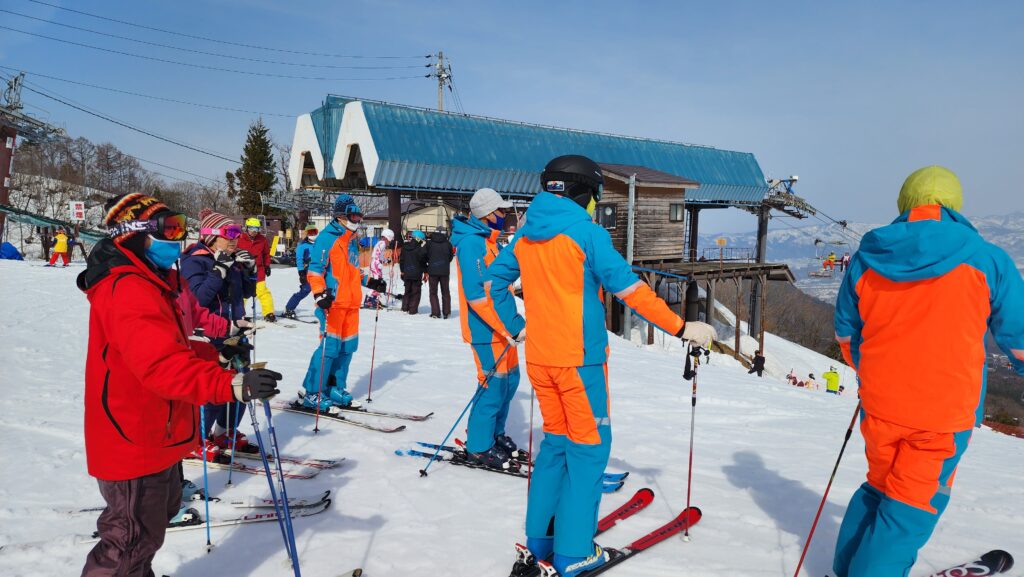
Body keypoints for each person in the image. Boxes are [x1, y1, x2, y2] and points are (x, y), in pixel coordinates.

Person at [487, 155, 718, 577]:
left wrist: (517, 327)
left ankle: (542, 541)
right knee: (589, 453)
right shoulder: (586, 234)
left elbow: (494, 282)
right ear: (582, 193)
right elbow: (631, 290)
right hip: (579, 363)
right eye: (595, 196)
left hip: (540, 359)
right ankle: (574, 554)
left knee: (556, 447)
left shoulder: (526, 235)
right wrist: (682, 327)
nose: (596, 204)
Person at [831, 166, 1024, 577]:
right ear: (954, 206)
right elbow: (1019, 337)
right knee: (909, 510)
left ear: (905, 204)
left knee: (878, 488)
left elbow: (848, 333)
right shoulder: (987, 259)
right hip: (942, 414)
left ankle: (846, 567)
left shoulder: (869, 256)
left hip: (881, 407)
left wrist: (876, 374)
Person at [77, 192, 280, 577]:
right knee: (129, 540)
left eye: (181, 227)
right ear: (134, 235)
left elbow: (174, 347)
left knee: (149, 530)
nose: (178, 238)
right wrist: (233, 387)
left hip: (157, 428)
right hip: (134, 436)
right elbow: (162, 366)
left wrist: (217, 357)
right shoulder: (130, 289)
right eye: (169, 229)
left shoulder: (152, 281)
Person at [451, 188, 523, 469]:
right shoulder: (472, 244)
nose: (504, 216)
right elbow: (478, 294)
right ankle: (479, 446)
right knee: (493, 387)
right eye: (501, 211)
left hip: (501, 328)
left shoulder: (489, 241)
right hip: (484, 329)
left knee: (510, 381)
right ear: (487, 214)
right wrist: (509, 326)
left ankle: (494, 433)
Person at [300, 194, 387, 410]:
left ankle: (334, 388)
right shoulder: (326, 238)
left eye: (359, 216)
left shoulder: (351, 242)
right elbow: (315, 271)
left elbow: (353, 273)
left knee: (347, 349)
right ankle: (312, 391)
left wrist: (371, 282)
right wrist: (320, 294)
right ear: (340, 216)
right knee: (329, 349)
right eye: (353, 216)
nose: (357, 220)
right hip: (332, 305)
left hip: (351, 305)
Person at [180, 209, 257, 451]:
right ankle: (197, 438)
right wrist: (219, 270)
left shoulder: (230, 258)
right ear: (211, 236)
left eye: (237, 234)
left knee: (241, 385)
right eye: (229, 233)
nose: (235, 239)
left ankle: (224, 432)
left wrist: (250, 272)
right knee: (213, 389)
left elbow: (246, 294)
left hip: (235, 332)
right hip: (209, 336)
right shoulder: (195, 260)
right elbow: (199, 299)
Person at [236, 217, 276, 322]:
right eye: (252, 228)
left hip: (259, 270)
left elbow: (266, 254)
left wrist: (267, 265)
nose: (254, 231)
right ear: (247, 228)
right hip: (243, 269)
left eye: (257, 228)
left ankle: (268, 313)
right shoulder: (239, 238)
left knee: (263, 291)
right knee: (242, 293)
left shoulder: (262, 239)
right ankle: (239, 314)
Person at [283, 224, 318, 319]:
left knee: (325, 291)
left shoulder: (320, 243)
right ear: (307, 234)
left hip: (321, 270)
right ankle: (289, 308)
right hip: (309, 271)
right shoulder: (303, 246)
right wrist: (301, 273)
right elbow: (299, 259)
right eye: (311, 232)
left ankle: (328, 310)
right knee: (305, 290)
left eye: (315, 232)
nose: (313, 234)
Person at [426, 228, 454, 319]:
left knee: (433, 292)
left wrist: (428, 262)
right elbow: (450, 256)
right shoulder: (448, 244)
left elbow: (423, 254)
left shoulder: (429, 243)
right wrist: (445, 262)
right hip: (445, 271)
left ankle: (435, 312)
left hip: (433, 271)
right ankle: (446, 312)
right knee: (445, 291)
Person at [364, 228, 395, 309]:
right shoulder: (382, 243)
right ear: (388, 237)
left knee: (378, 281)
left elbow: (380, 256)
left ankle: (372, 298)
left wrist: (385, 260)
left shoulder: (381, 243)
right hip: (375, 264)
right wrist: (378, 263)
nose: (390, 241)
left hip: (376, 264)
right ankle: (369, 300)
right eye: (390, 239)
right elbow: (376, 254)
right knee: (377, 282)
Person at [400, 230, 428, 315]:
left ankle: (405, 307)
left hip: (407, 272)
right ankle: (412, 310)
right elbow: (422, 261)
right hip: (416, 273)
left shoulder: (405, 247)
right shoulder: (420, 249)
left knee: (407, 290)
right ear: (419, 239)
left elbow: (402, 260)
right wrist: (426, 271)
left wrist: (402, 271)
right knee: (415, 292)